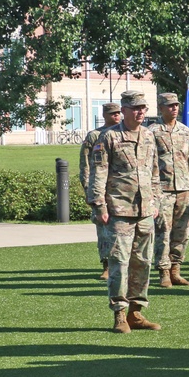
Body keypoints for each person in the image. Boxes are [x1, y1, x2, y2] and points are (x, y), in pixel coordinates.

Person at [87, 90, 162, 333]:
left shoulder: (149, 136)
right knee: (119, 263)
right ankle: (119, 313)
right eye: (136, 108)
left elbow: (154, 172)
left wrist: (156, 202)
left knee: (143, 262)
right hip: (119, 209)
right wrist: (99, 205)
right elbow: (98, 173)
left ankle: (136, 312)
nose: (141, 112)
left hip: (145, 209)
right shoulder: (109, 137)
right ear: (125, 110)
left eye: (144, 108)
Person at [149, 92, 189, 287]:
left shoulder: (185, 131)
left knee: (182, 231)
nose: (174, 108)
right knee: (163, 231)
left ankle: (176, 268)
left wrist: (188, 179)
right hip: (163, 189)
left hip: (184, 187)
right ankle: (164, 272)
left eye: (176, 105)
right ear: (161, 108)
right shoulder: (152, 131)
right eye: (169, 105)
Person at [79, 102, 121, 279]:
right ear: (105, 115)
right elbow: (86, 165)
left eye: (119, 113)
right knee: (104, 231)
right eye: (113, 113)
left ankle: (121, 264)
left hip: (120, 191)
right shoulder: (95, 136)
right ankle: (106, 264)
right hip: (101, 191)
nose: (117, 116)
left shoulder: (123, 134)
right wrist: (91, 192)